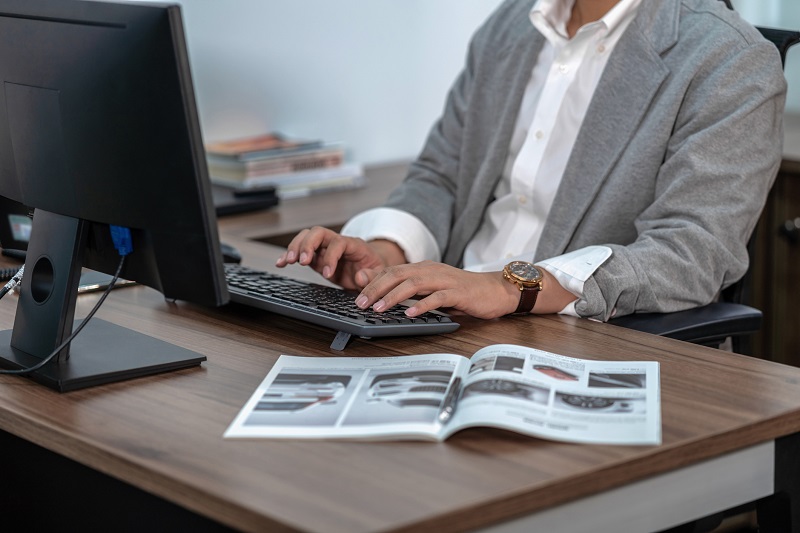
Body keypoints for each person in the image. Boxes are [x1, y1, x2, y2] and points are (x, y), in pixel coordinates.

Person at [276, 0, 786, 322]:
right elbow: (441, 176)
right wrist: (385, 253)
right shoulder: (509, 28)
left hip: (575, 337)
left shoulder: (730, 58)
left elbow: (691, 253)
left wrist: (506, 287)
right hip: (446, 318)